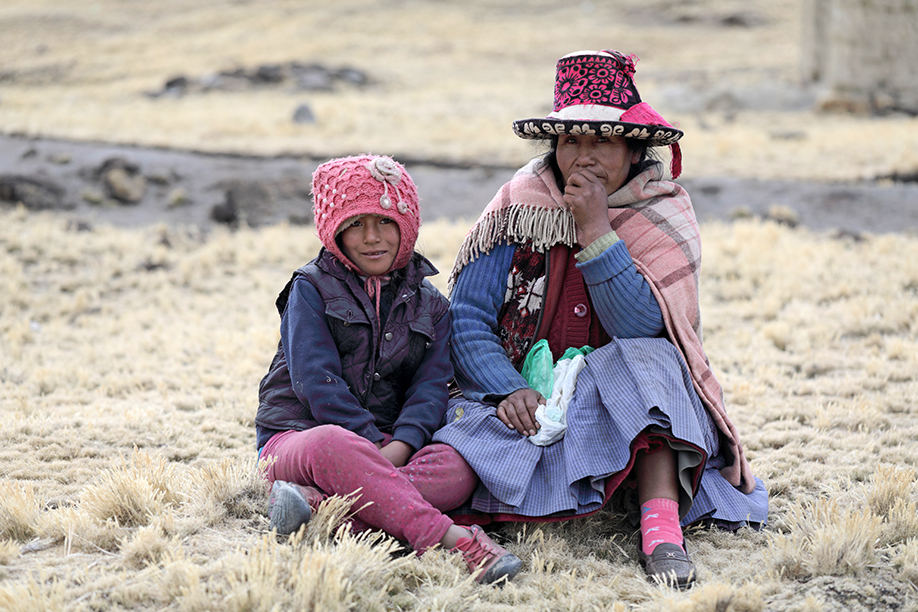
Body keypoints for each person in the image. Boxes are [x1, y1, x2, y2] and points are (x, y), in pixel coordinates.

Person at [432, 50, 768, 588]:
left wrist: (595, 228)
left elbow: (642, 327)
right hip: (525, 401)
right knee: (455, 460)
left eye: (603, 141)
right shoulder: (519, 205)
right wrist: (506, 389)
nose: (583, 157)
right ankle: (379, 503)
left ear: (635, 151)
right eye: (571, 141)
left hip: (619, 404)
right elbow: (469, 318)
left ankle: (661, 532)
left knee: (655, 363)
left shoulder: (662, 210)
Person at [254, 154, 522, 584]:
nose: (372, 238)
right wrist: (367, 444)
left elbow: (430, 388)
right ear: (333, 231)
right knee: (333, 445)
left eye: (385, 222)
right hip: (299, 439)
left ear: (408, 224)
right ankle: (452, 540)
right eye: (355, 224)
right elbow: (315, 382)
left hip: (388, 446)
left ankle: (322, 511)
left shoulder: (432, 305)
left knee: (457, 467)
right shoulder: (310, 288)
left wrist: (399, 446)